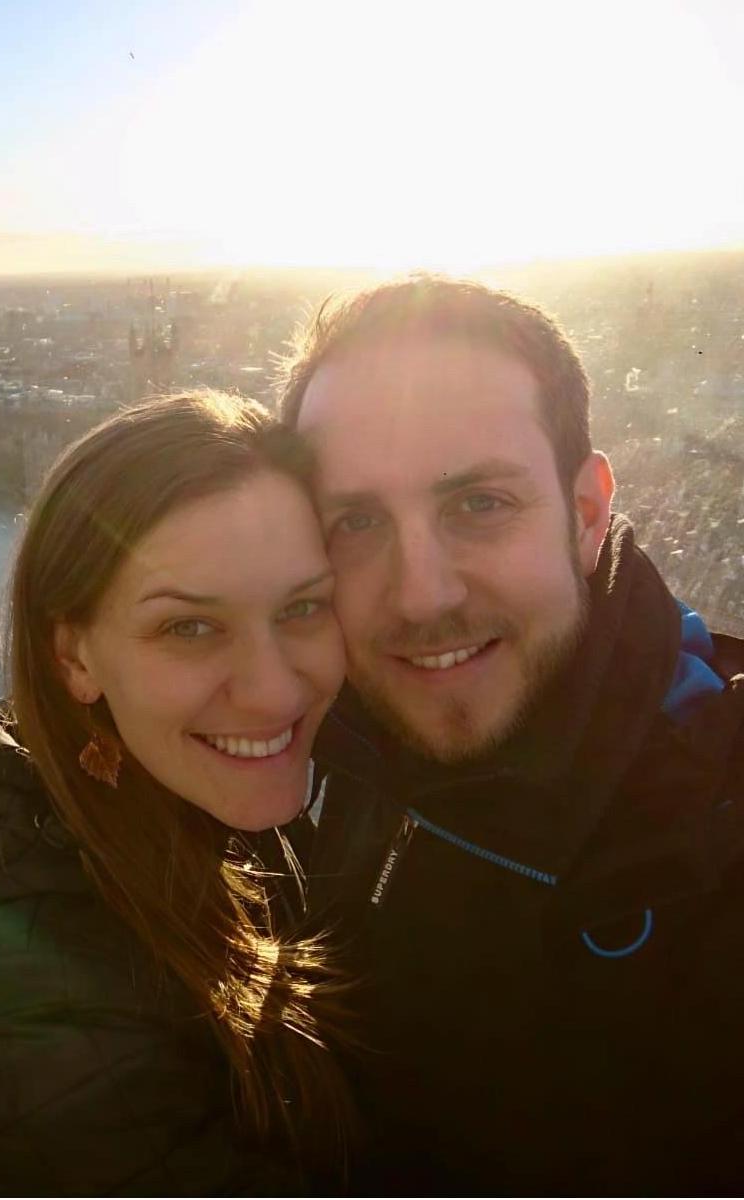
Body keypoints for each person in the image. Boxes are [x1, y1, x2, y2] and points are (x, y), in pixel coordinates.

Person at [280, 275, 744, 1193]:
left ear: (586, 513)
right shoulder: (295, 752)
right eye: (358, 521)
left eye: (480, 504)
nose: (422, 595)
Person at [0, 391, 355, 1195]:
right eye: (189, 627)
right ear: (75, 659)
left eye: (304, 607)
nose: (273, 693)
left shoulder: (196, 806)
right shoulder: (29, 1016)